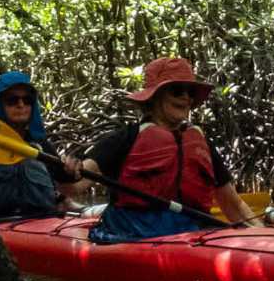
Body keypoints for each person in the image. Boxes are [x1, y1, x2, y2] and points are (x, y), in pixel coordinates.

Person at [81, 57, 260, 244]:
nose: (186, 97)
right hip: (129, 235)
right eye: (176, 91)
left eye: (190, 92)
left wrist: (261, 235)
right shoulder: (125, 138)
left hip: (190, 236)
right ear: (155, 97)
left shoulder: (200, 144)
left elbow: (234, 205)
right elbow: (75, 184)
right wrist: (69, 170)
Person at [0, 71, 81, 218]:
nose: (21, 105)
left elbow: (65, 176)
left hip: (41, 222)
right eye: (12, 100)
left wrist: (73, 170)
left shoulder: (40, 145)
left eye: (27, 100)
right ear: (0, 105)